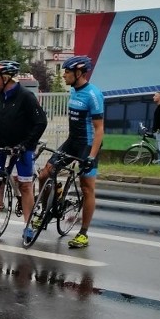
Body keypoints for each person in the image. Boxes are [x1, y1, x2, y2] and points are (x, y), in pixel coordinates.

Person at [36, 55, 103, 249]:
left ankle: (83, 233)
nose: (63, 75)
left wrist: (91, 156)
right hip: (71, 142)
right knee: (44, 174)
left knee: (87, 188)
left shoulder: (93, 94)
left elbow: (99, 129)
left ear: (79, 73)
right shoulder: (74, 91)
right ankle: (50, 205)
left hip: (88, 145)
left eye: (66, 72)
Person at [0, 60, 48, 241]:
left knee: (25, 186)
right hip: (3, 147)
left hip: (23, 148)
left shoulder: (26, 96)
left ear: (5, 78)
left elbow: (41, 122)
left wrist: (26, 144)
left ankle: (28, 225)